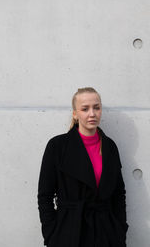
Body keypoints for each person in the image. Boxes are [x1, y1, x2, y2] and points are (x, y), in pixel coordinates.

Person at [37, 87, 129, 247]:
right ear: (75, 114)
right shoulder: (57, 146)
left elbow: (118, 194)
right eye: (85, 109)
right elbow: (45, 195)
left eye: (97, 107)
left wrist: (120, 229)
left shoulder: (110, 146)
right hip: (69, 232)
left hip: (106, 232)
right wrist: (51, 233)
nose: (92, 113)